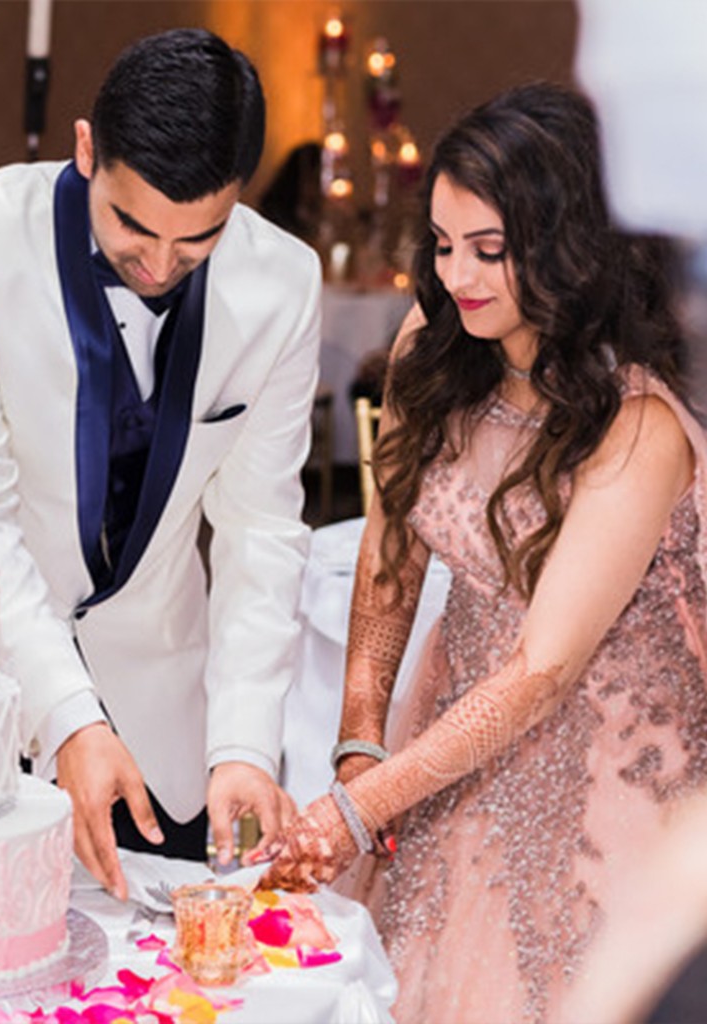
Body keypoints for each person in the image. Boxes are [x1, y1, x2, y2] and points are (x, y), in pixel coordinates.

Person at [257, 81, 707, 1023]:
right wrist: (358, 743)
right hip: (458, 723)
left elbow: (543, 669)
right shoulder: (440, 340)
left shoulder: (638, 426)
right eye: (444, 243)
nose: (458, 275)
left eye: (491, 252)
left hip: (608, 767)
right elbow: (391, 549)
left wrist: (360, 808)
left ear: (566, 251)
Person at [0, 28, 320, 901]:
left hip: (167, 746)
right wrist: (66, 717)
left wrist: (242, 742)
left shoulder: (285, 284)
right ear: (87, 149)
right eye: (133, 225)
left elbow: (261, 532)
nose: (161, 265)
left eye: (197, 240)